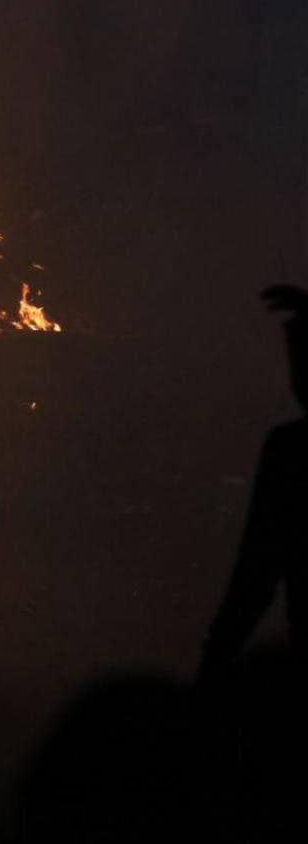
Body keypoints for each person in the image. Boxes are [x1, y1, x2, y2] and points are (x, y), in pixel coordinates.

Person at [199, 285, 308, 681]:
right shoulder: (290, 448)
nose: (297, 376)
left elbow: (256, 574)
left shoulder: (293, 451)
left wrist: (212, 666)